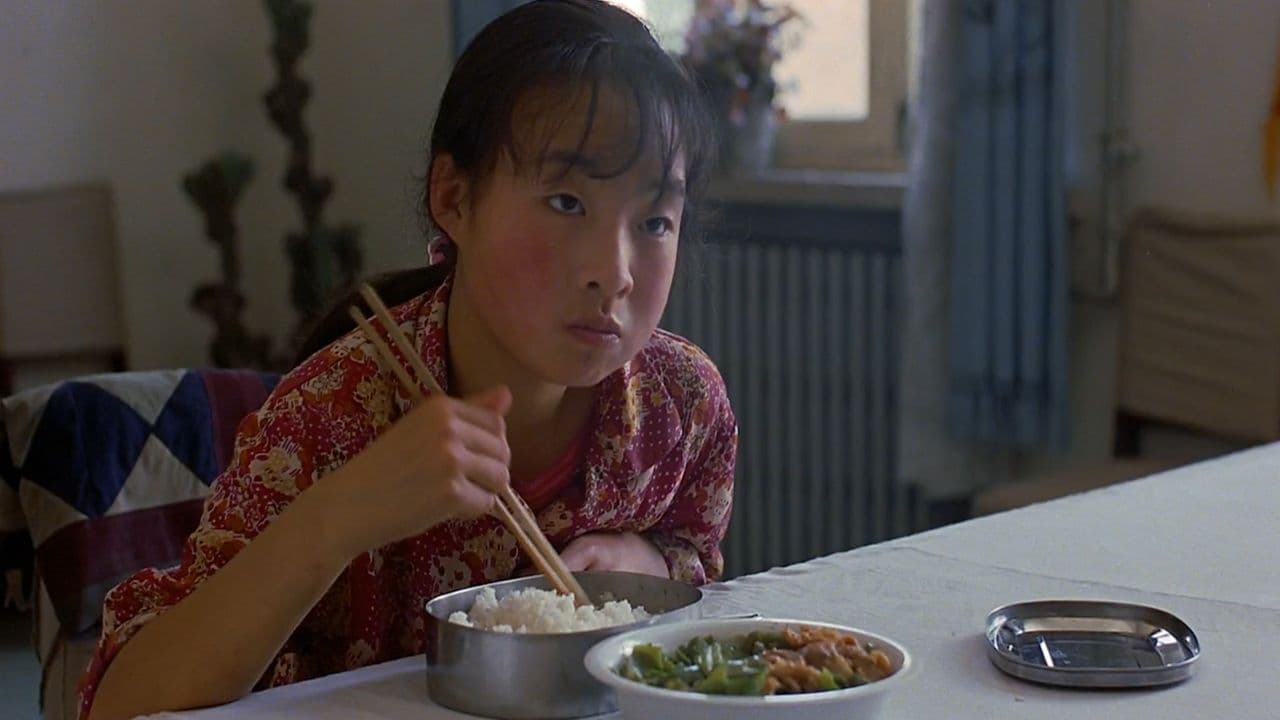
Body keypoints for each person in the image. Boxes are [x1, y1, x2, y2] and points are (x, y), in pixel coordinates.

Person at [80, 1, 737, 718]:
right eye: (566, 202)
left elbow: (696, 561)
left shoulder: (683, 404)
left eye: (654, 221)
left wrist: (649, 560)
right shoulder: (329, 415)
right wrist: (337, 518)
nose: (614, 274)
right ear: (454, 198)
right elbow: (120, 701)